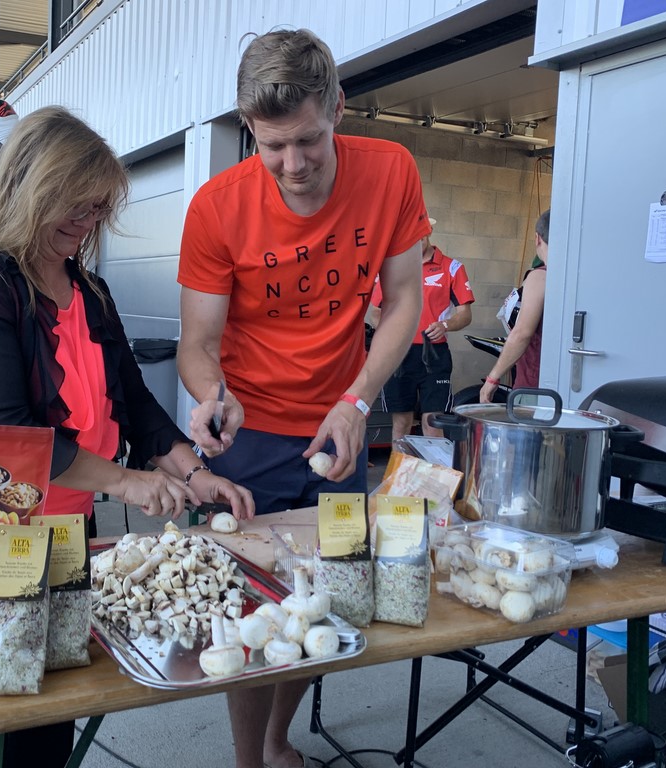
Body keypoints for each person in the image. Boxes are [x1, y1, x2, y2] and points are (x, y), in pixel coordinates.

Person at [0, 105, 255, 767]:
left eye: (98, 208)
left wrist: (196, 474)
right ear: (30, 187)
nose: (86, 222)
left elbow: (137, 406)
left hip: (67, 527)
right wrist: (129, 482)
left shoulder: (90, 291)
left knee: (53, 701)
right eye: (74, 205)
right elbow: (9, 438)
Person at [177, 28, 428, 768]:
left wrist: (359, 400)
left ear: (338, 108)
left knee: (322, 596)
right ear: (248, 128)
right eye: (273, 145)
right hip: (249, 435)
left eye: (309, 140)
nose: (293, 164)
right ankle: (246, 761)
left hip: (338, 426)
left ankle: (278, 738)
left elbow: (405, 300)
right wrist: (213, 396)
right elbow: (197, 343)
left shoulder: (391, 170)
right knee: (248, 606)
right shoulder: (217, 207)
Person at [366, 218, 474, 441]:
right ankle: (402, 467)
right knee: (402, 423)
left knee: (432, 423)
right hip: (399, 353)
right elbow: (375, 311)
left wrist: (445, 325)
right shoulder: (392, 267)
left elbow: (465, 314)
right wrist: (391, 331)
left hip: (434, 353)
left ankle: (433, 466)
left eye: (420, 236)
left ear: (429, 231)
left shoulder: (452, 267)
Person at [480, 209, 550, 403]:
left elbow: (522, 333)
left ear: (537, 238)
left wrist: (492, 379)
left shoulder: (540, 276)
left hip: (534, 387)